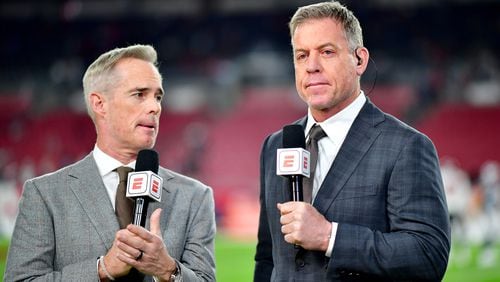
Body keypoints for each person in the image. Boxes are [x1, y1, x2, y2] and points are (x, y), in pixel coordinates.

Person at [254, 2, 450, 281]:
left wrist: (329, 236)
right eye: (301, 55)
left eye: (327, 52)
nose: (312, 66)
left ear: (359, 60)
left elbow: (429, 255)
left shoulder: (405, 146)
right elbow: (267, 256)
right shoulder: (276, 145)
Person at [5, 44, 216, 281]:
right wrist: (101, 269)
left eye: (158, 97)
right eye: (139, 94)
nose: (155, 107)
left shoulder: (194, 196)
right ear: (99, 104)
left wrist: (167, 269)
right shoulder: (44, 194)